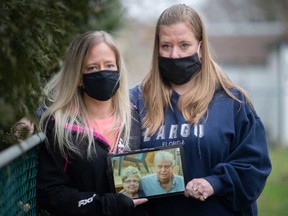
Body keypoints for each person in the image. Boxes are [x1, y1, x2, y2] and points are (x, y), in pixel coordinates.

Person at [130, 4, 271, 216]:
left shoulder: (233, 101)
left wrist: (215, 182)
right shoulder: (136, 101)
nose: (175, 54)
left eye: (184, 45)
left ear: (201, 48)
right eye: (166, 45)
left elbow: (255, 166)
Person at [37, 31, 147, 216]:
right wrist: (104, 205)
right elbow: (51, 194)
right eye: (92, 68)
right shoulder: (60, 125)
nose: (103, 73)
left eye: (110, 65)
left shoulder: (133, 115)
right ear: (78, 76)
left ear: (119, 70)